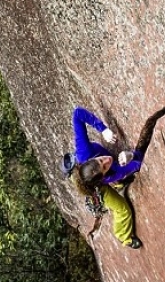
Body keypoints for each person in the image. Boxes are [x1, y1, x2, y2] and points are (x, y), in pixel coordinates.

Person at [61, 106, 143, 249]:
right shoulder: (108, 177)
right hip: (95, 186)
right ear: (104, 176)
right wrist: (131, 156)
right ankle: (124, 237)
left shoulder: (83, 152)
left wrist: (103, 129)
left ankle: (117, 182)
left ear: (90, 160)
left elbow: (77, 114)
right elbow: (138, 164)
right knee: (122, 209)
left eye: (100, 160)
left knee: (107, 172)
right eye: (104, 166)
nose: (107, 160)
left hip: (84, 172)